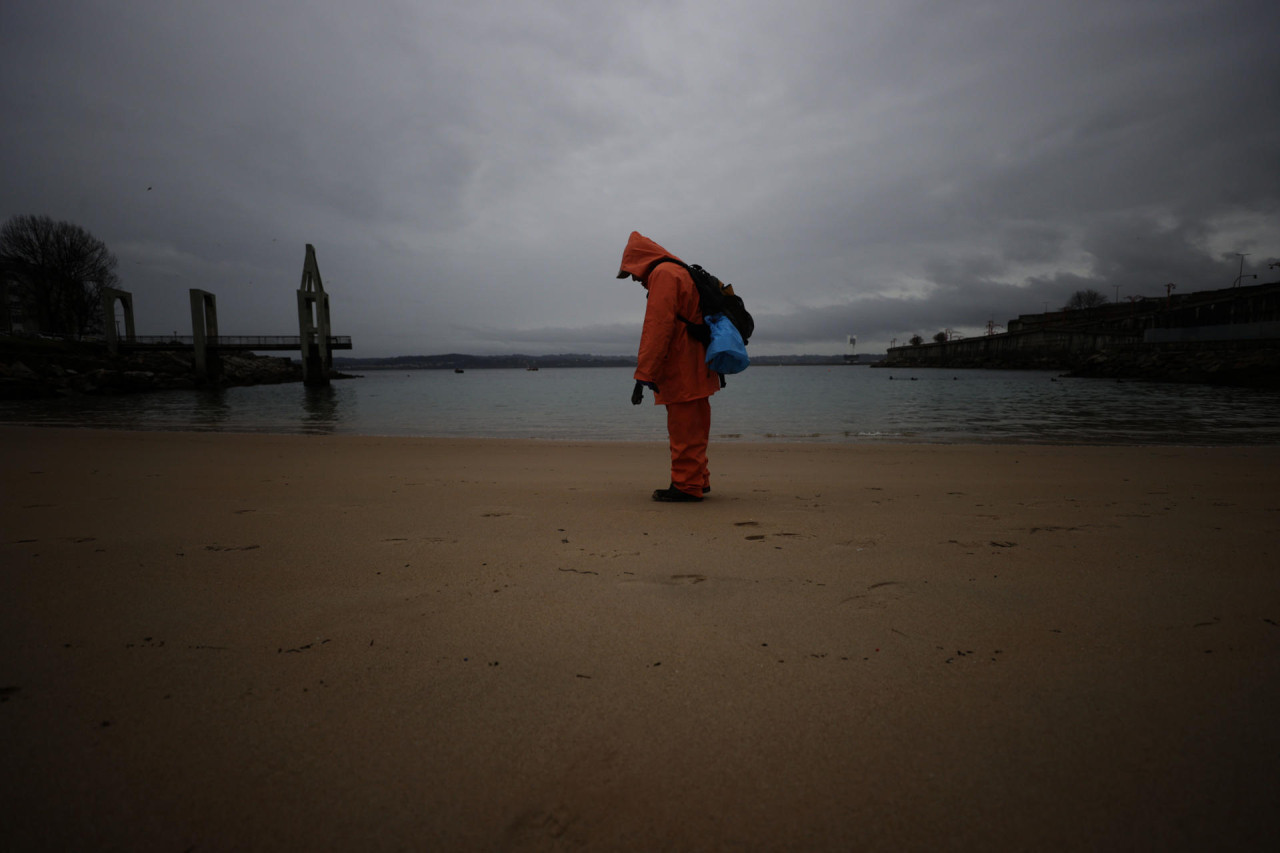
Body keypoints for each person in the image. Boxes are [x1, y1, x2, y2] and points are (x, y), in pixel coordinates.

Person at [617, 231, 721, 502]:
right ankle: (699, 480)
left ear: (641, 261)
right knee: (696, 426)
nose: (636, 280)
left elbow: (657, 328)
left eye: (633, 273)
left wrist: (644, 375)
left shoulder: (663, 275)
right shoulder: (680, 271)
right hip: (699, 362)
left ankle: (687, 486)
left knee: (684, 428)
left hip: (682, 365)